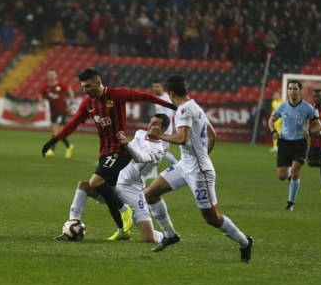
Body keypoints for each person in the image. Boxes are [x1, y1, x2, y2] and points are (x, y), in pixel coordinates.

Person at [43, 68, 177, 240]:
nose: (85, 90)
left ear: (98, 83)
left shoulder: (116, 95)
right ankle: (118, 229)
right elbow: (73, 124)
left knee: (96, 182)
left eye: (88, 86)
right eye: (82, 87)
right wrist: (54, 140)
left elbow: (143, 96)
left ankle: (125, 211)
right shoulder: (88, 104)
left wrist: (168, 105)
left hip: (119, 151)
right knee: (90, 187)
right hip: (105, 152)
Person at [144, 75, 254, 262]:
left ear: (171, 93)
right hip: (185, 165)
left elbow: (182, 139)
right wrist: (201, 156)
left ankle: (244, 242)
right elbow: (213, 135)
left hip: (199, 172)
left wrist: (159, 136)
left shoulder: (184, 110)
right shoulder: (195, 107)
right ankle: (170, 235)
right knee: (150, 194)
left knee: (212, 219)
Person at [57, 114, 171, 242]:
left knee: (149, 239)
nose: (151, 125)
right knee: (84, 186)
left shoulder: (159, 150)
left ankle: (164, 235)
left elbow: (140, 157)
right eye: (151, 122)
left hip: (133, 190)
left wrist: (127, 144)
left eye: (156, 124)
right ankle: (73, 224)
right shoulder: (140, 133)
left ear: (164, 129)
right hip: (116, 181)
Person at [268, 80, 321, 211]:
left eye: (295, 89)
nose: (292, 91)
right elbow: (271, 120)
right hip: (284, 143)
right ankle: (293, 180)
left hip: (300, 143)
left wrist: (309, 132)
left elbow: (319, 126)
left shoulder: (307, 108)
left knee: (294, 171)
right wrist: (274, 131)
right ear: (287, 91)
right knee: (282, 176)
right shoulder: (282, 107)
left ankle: (290, 203)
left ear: (300, 91)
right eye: (290, 89)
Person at [39, 69, 75, 158]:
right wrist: (42, 102)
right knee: (58, 133)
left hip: (61, 111)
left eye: (52, 74)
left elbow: (70, 92)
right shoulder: (45, 87)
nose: (51, 76)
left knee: (55, 130)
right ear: (47, 76)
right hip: (53, 112)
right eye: (49, 75)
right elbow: (40, 95)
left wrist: (70, 104)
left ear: (55, 76)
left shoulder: (61, 85)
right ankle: (69, 146)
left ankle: (52, 150)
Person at [151, 79, 179, 168]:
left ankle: (178, 166)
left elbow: (174, 112)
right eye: (154, 86)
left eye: (157, 86)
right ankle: (178, 166)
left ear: (162, 88)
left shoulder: (167, 99)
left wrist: (168, 128)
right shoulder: (156, 98)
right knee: (157, 151)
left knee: (159, 152)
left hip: (165, 130)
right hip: (159, 129)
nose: (155, 88)